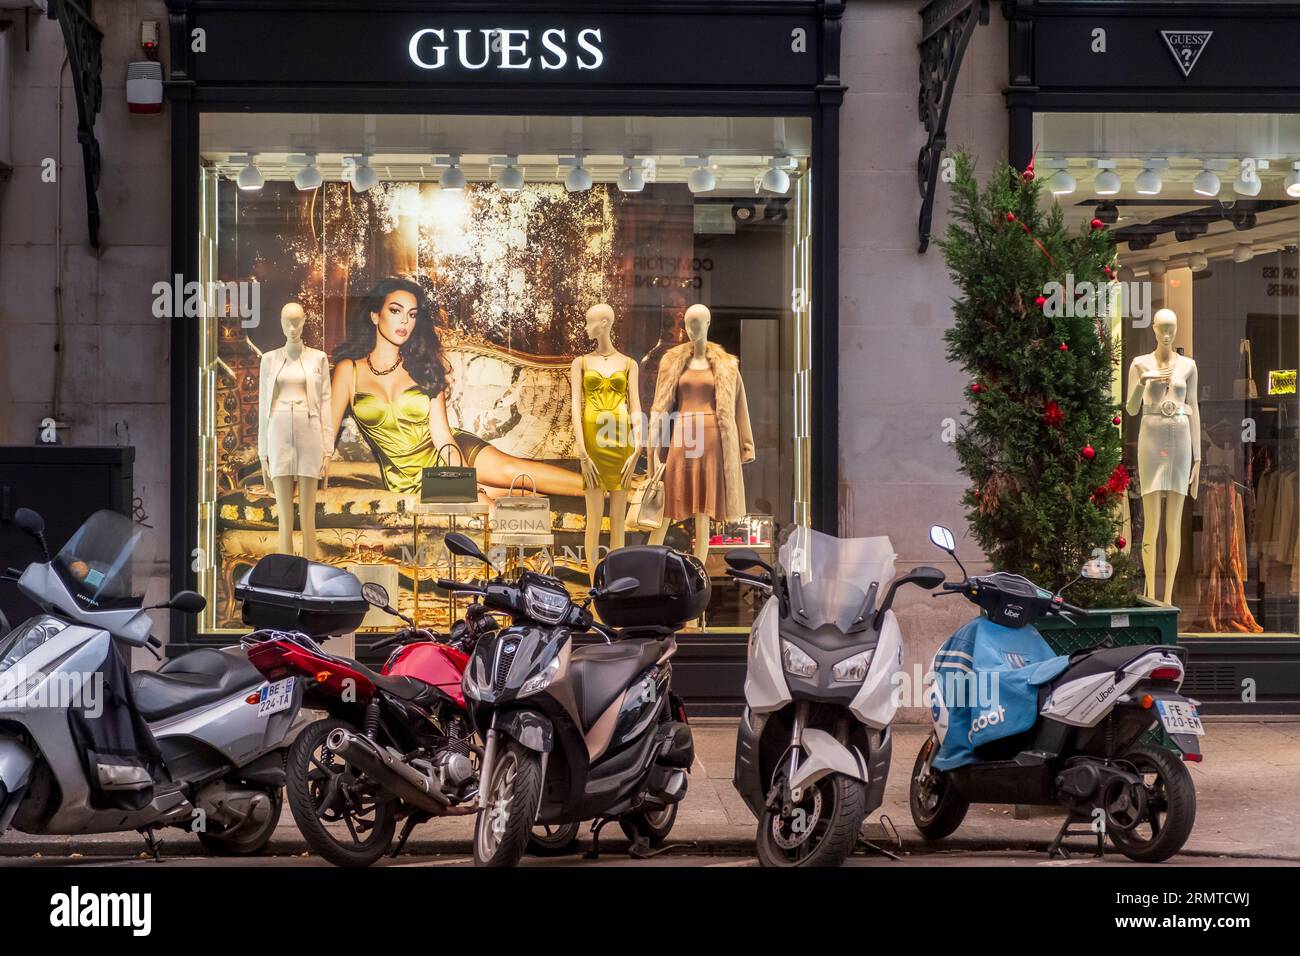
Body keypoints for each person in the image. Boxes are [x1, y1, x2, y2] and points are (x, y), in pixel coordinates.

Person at [329, 277, 583, 499]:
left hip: (453, 451)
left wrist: (465, 489)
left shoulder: (423, 365)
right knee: (518, 493)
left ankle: (614, 491)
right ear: (375, 315)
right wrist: (299, 482)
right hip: (409, 480)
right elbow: (325, 437)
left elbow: (442, 438)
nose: (405, 321)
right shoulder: (348, 370)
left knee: (511, 471)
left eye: (412, 314)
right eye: (396, 311)